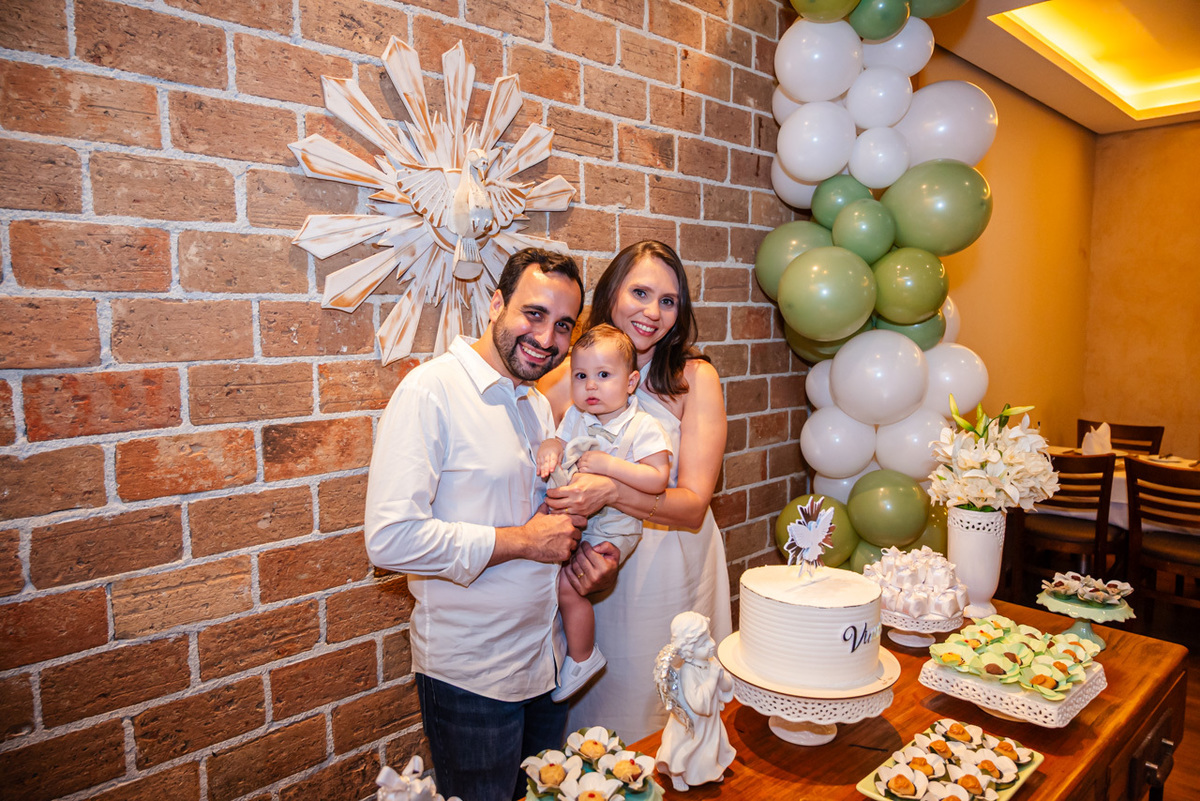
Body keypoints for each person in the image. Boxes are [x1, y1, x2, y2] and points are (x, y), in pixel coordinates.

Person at [364, 247, 618, 801]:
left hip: (544, 662)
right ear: (497, 303)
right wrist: (524, 541)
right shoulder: (431, 391)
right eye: (533, 314)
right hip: (471, 675)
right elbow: (389, 539)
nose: (547, 338)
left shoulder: (533, 405)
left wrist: (579, 564)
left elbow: (542, 528)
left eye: (563, 326)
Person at [538, 240, 733, 743]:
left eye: (668, 301)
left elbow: (692, 506)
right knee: (608, 724)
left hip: (676, 569)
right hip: (603, 570)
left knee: (674, 716)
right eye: (641, 293)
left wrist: (607, 491)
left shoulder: (695, 378)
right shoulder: (569, 380)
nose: (653, 312)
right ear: (611, 294)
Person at [536, 324, 672, 702]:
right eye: (581, 376)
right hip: (584, 518)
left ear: (630, 382)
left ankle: (583, 657)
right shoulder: (577, 417)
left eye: (603, 376)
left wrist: (610, 467)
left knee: (569, 584)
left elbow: (658, 478)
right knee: (549, 572)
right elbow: (558, 441)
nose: (590, 386)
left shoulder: (642, 426)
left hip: (616, 525)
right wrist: (550, 445)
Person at [654, 611, 735, 791]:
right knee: (688, 748)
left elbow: (727, 686)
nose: (711, 644)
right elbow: (698, 703)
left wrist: (721, 679)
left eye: (709, 637)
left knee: (709, 747)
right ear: (689, 651)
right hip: (693, 723)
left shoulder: (710, 661)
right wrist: (713, 679)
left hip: (709, 721)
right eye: (704, 643)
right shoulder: (689, 672)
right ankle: (677, 773)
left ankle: (709, 771)